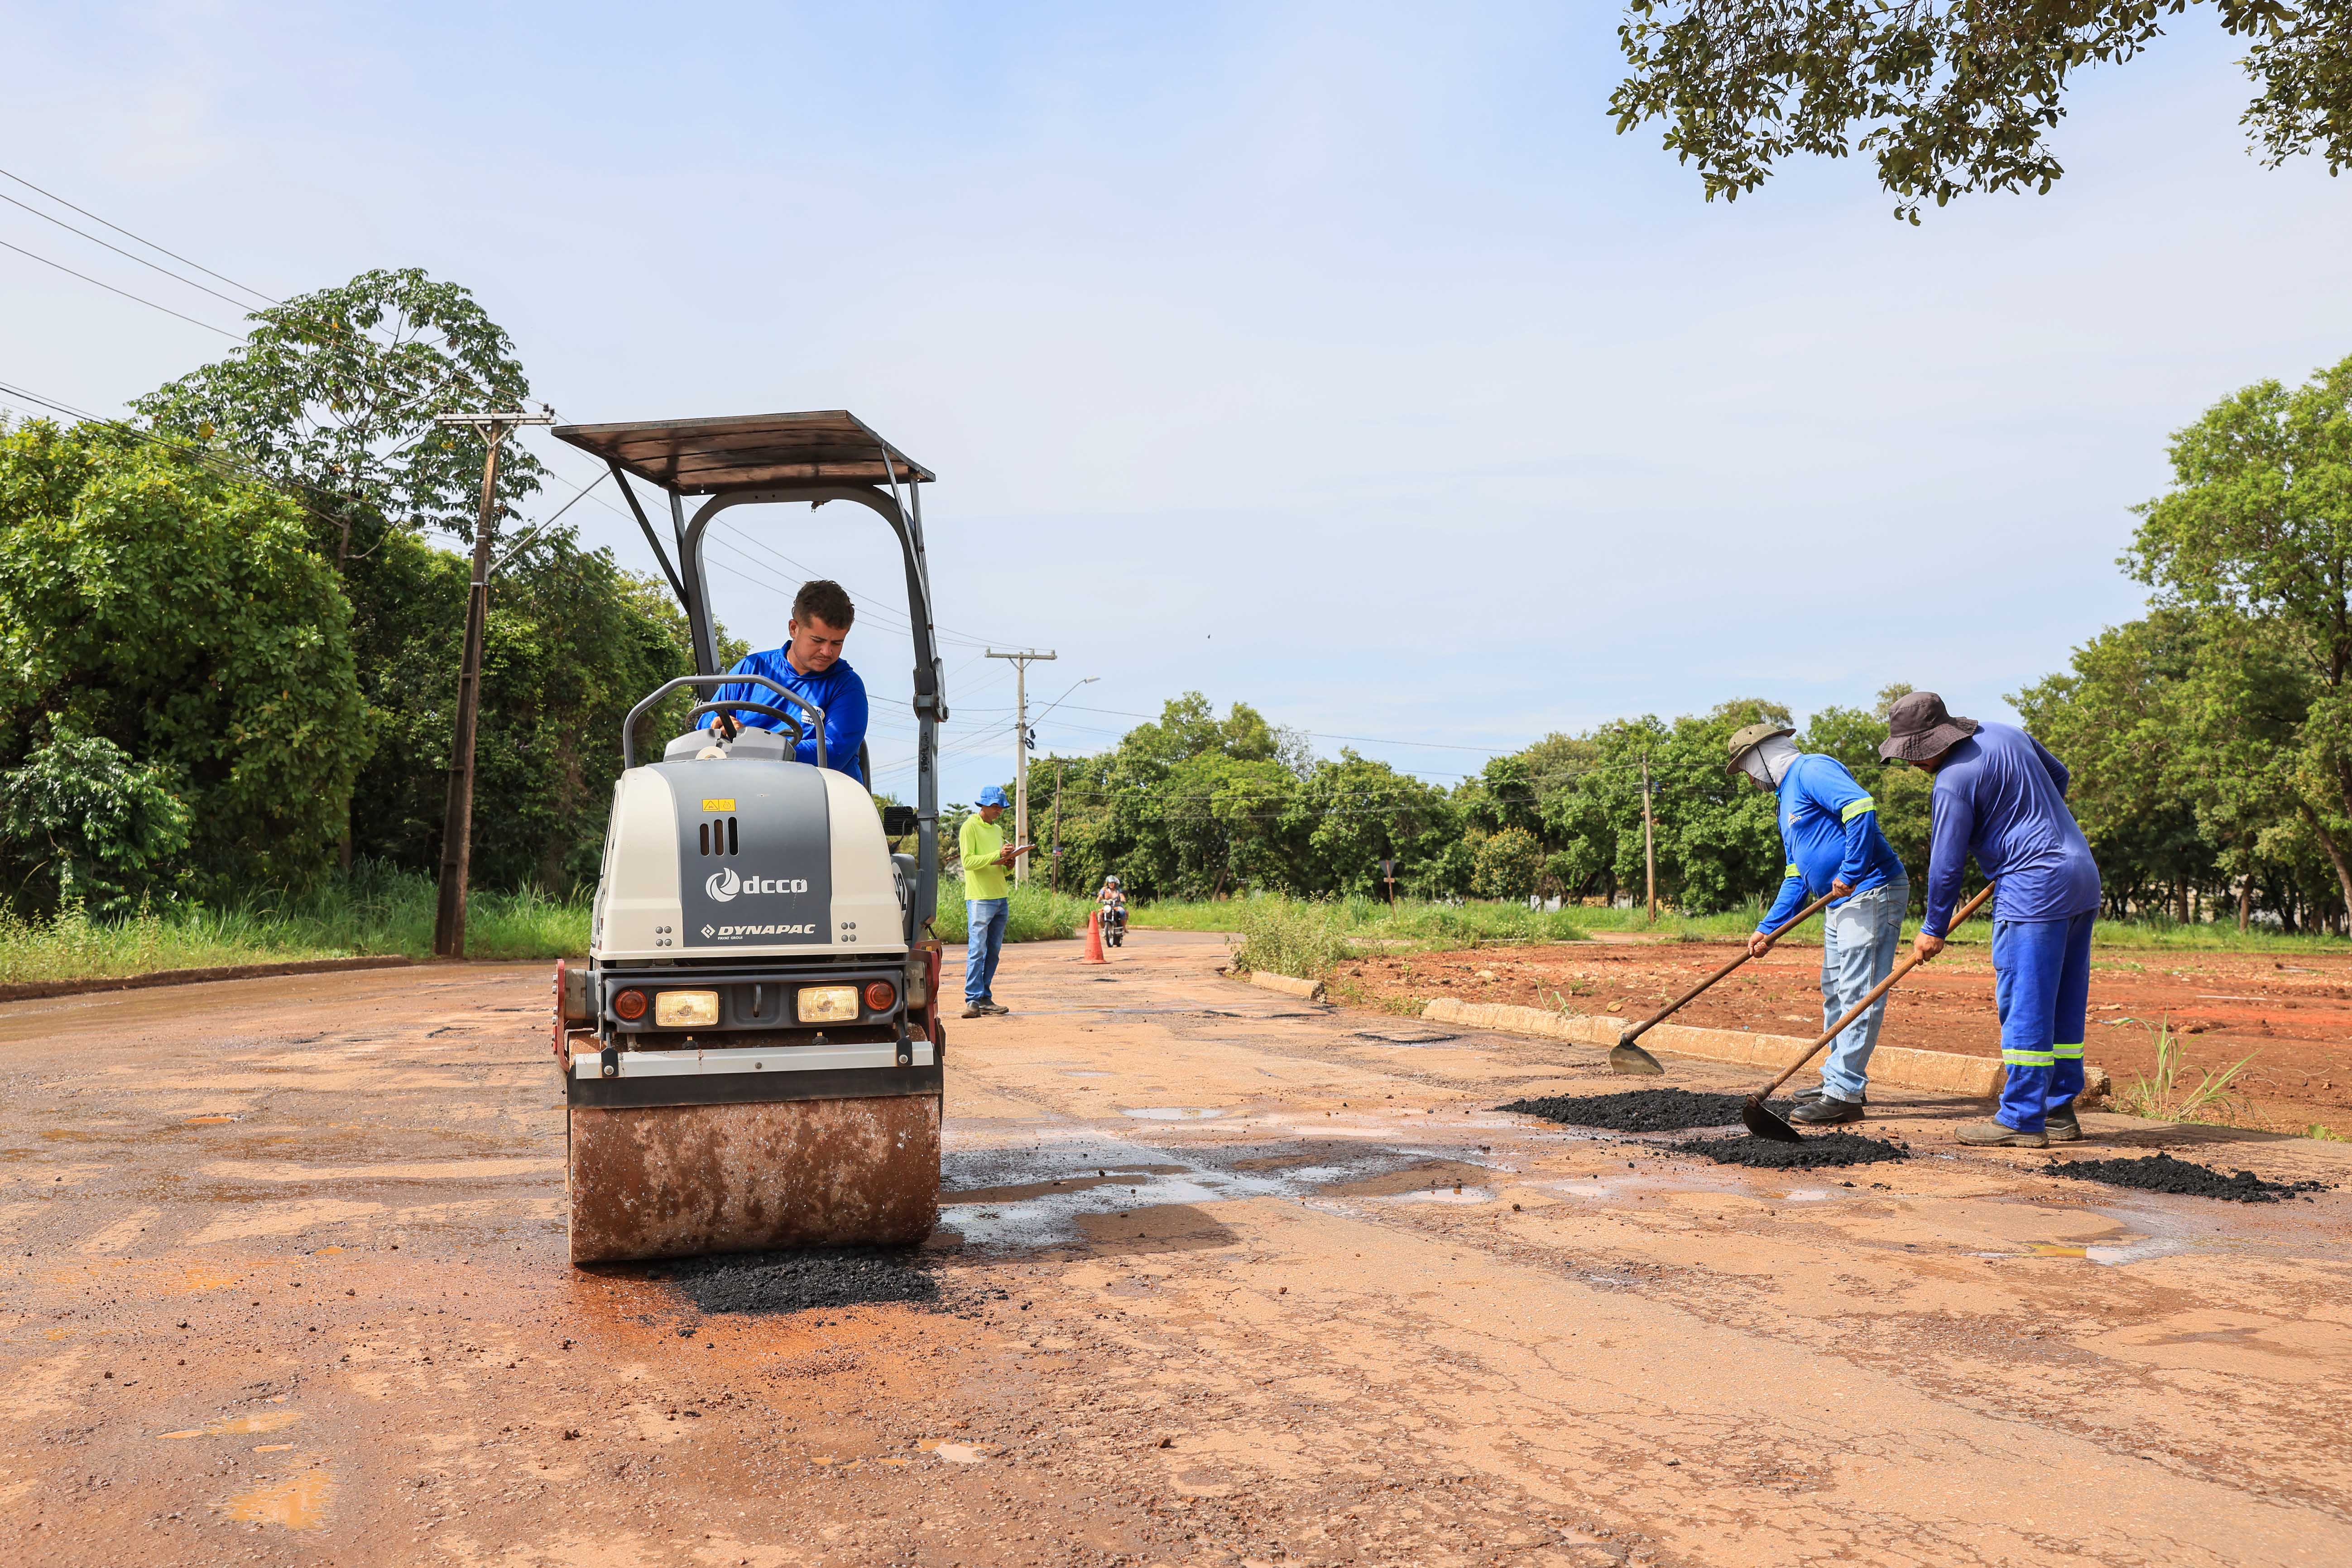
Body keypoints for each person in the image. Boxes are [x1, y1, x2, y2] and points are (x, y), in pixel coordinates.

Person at [1880, 691, 2101, 1148]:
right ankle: (2057, 1110)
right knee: (2062, 998)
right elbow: (2059, 775)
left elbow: (1945, 865)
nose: (1913, 764)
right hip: (2080, 874)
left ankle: (2021, 1117)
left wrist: (1932, 928)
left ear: (1930, 743)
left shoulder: (1952, 780)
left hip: (2034, 886)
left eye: (1913, 754)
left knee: (2025, 1000)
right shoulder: (2007, 733)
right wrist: (2027, 819)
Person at [1727, 721, 1910, 1125]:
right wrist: (1769, 927)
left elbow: (1861, 806)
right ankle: (1836, 1078)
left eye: (1745, 766)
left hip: (1869, 890)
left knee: (1858, 991)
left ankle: (1844, 1092)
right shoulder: (1784, 802)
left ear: (1763, 753)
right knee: (1834, 990)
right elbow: (1796, 873)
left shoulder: (1810, 769)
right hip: (1839, 900)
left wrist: (1852, 869)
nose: (1749, 777)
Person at [708, 579, 869, 784]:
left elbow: (833, 752)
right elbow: (705, 725)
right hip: (745, 791)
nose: (827, 652)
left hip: (819, 799)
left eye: (837, 643)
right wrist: (720, 727)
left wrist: (755, 746)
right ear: (794, 629)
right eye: (818, 641)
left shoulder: (847, 687)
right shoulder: (752, 669)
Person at [957, 785, 1019, 1018]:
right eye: (996, 806)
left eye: (1002, 806)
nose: (999, 810)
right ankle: (972, 1001)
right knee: (977, 950)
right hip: (980, 898)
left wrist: (1009, 864)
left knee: (993, 951)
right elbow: (969, 862)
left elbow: (999, 868)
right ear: (983, 804)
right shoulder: (969, 827)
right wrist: (998, 855)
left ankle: (985, 998)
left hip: (1000, 897)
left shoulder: (998, 830)